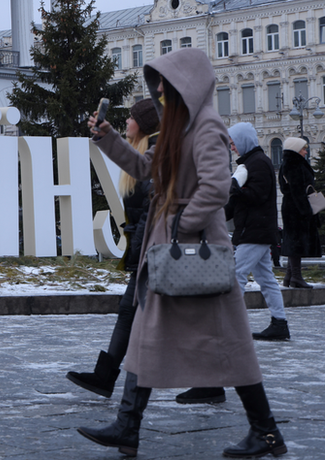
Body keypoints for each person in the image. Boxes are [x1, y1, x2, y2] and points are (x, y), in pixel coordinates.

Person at [82, 48, 287, 458]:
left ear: (185, 86)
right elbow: (144, 169)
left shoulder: (206, 126)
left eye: (164, 87)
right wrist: (107, 137)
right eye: (157, 87)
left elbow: (216, 187)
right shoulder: (179, 128)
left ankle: (266, 432)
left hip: (195, 254)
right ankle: (128, 425)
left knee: (230, 342)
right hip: (172, 253)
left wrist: (181, 226)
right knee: (143, 334)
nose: (159, 94)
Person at [176, 122, 290, 405]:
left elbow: (258, 196)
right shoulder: (249, 162)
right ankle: (279, 322)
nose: (231, 145)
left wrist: (236, 193)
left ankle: (226, 323)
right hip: (255, 230)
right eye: (230, 142)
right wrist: (215, 213)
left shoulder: (259, 163)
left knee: (234, 274)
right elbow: (235, 201)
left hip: (256, 231)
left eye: (234, 141)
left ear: (244, 140)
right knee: (265, 279)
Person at [66, 98, 158, 398]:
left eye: (131, 118)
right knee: (129, 314)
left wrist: (139, 253)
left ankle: (115, 391)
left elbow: (151, 212)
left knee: (142, 317)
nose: (127, 123)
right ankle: (105, 378)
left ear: (143, 124)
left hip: (153, 252)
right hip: (146, 249)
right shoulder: (143, 152)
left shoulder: (155, 153)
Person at [278, 137, 319, 289]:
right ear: (295, 149)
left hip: (292, 207)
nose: (306, 151)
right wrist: (306, 210)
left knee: (293, 240)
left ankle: (290, 276)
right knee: (296, 241)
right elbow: (297, 190)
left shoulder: (289, 163)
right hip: (296, 208)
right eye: (303, 148)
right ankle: (296, 276)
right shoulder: (294, 164)